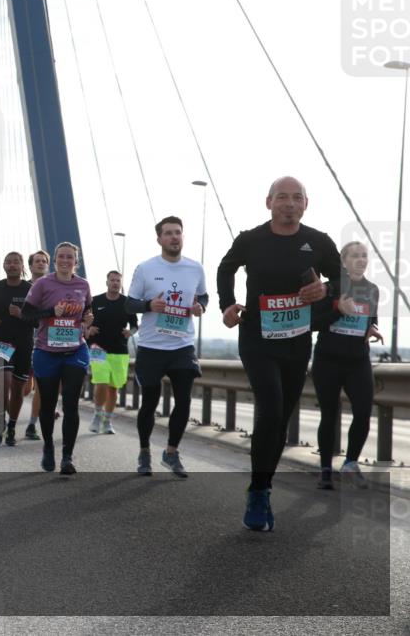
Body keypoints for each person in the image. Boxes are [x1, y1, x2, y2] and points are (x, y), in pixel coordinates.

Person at [217, 176, 340, 532]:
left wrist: (325, 288)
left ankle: (263, 484)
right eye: (282, 197)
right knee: (270, 409)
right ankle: (258, 492)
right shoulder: (250, 239)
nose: (289, 203)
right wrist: (227, 305)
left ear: (306, 203)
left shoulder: (318, 242)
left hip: (297, 341)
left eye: (296, 197)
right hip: (257, 337)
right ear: (268, 202)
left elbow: (344, 279)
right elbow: (226, 268)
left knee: (279, 419)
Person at [126, 218, 207, 477]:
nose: (174, 237)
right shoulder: (146, 268)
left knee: (183, 401)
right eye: (168, 233)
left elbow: (203, 296)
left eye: (178, 233)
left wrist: (200, 307)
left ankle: (171, 453)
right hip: (151, 346)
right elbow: (130, 304)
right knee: (149, 401)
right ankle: (144, 451)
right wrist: (149, 305)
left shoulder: (195, 268)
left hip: (182, 345)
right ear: (159, 239)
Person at [311, 241, 383, 489]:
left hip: (358, 361)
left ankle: (350, 464)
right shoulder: (330, 287)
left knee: (363, 411)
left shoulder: (373, 290)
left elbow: (370, 318)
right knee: (330, 415)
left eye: (364, 256)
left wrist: (373, 327)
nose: (361, 260)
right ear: (344, 260)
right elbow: (314, 322)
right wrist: (337, 311)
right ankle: (325, 470)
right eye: (355, 256)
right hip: (327, 360)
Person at [22, 242, 93, 474]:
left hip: (75, 351)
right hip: (46, 352)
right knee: (48, 404)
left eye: (69, 257)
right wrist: (52, 312)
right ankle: (49, 447)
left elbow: (88, 311)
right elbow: (26, 314)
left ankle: (67, 457)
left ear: (76, 261)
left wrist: (87, 320)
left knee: (71, 403)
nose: (65, 260)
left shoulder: (83, 285)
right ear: (55, 260)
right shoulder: (43, 284)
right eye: (61, 257)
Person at [0, 252, 36, 446]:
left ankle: (11, 426)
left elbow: (38, 320)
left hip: (24, 344)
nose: (12, 265)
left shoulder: (31, 289)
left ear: (22, 267)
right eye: (8, 262)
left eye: (16, 262)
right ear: (4, 266)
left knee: (18, 388)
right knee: (3, 379)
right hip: (1, 341)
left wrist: (21, 314)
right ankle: (0, 421)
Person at [86, 270, 138, 434]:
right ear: (106, 282)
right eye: (112, 280)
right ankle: (97, 415)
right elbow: (84, 320)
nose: (115, 283)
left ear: (121, 284)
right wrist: (88, 327)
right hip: (98, 348)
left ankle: (107, 421)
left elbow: (135, 325)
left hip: (119, 350)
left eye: (118, 281)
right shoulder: (95, 301)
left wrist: (131, 332)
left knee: (113, 388)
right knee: (101, 382)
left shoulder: (127, 303)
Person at [24, 249, 51, 439]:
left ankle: (32, 425)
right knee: (24, 389)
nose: (41, 263)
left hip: (46, 344)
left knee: (41, 388)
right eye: (37, 261)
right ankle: (11, 415)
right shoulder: (21, 287)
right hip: (24, 344)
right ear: (30, 265)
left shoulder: (54, 287)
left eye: (44, 261)